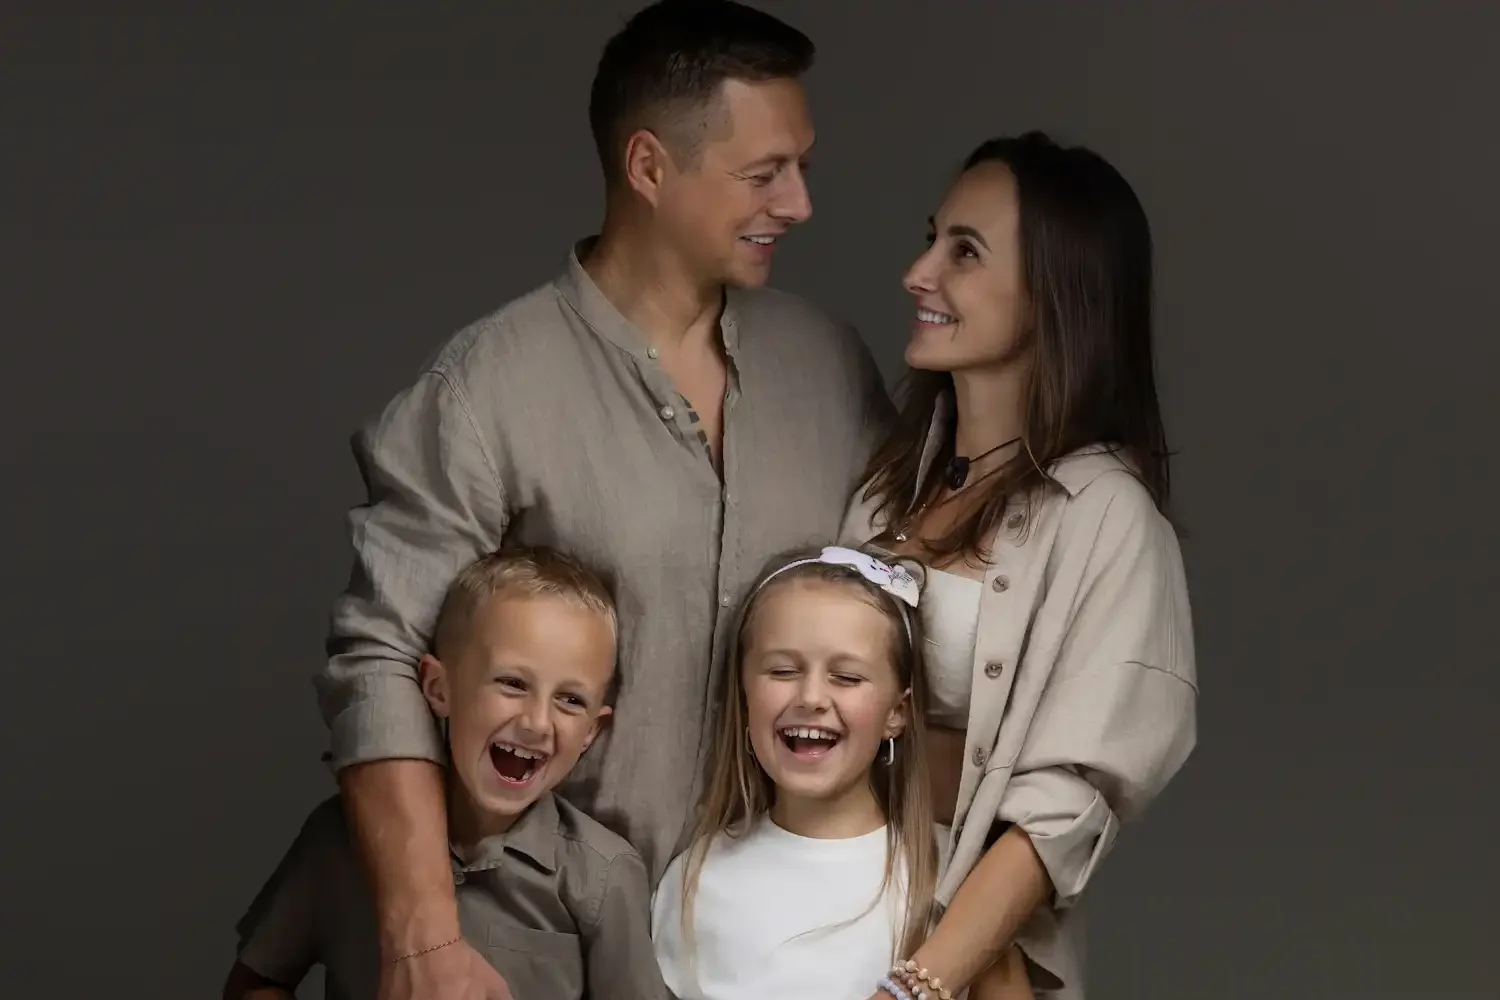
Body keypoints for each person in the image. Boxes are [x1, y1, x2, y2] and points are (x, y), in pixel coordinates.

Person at [313, 2, 892, 998]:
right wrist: (422, 942)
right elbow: (379, 659)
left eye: (801, 166)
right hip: (539, 953)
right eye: (765, 173)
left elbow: (906, 623)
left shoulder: (831, 365)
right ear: (650, 167)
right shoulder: (485, 388)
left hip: (791, 953)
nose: (798, 203)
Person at [840, 132, 1199, 1000]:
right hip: (825, 922)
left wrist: (918, 983)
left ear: (1054, 295)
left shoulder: (1110, 521)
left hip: (963, 964)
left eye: (964, 252)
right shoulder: (884, 490)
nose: (918, 273)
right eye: (932, 238)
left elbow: (1062, 808)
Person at [225, 547, 668, 1000]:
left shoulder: (604, 877)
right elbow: (256, 981)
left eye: (570, 700)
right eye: (512, 683)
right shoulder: (337, 838)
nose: (537, 722)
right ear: (439, 688)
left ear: (592, 731)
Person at [650, 545, 1033, 1000]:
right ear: (744, 693)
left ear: (897, 711)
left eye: (847, 678)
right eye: (783, 670)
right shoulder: (693, 879)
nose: (811, 696)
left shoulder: (953, 875)